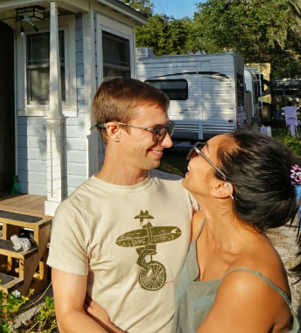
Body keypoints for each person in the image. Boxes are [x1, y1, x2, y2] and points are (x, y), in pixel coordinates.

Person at [47, 78, 196, 333]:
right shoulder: (77, 214)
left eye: (167, 128)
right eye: (156, 130)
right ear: (115, 130)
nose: (168, 141)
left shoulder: (184, 191)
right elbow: (69, 315)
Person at [173, 131, 301, 333]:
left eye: (201, 151)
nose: (191, 155)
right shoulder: (200, 225)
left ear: (222, 187)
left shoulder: (249, 282)